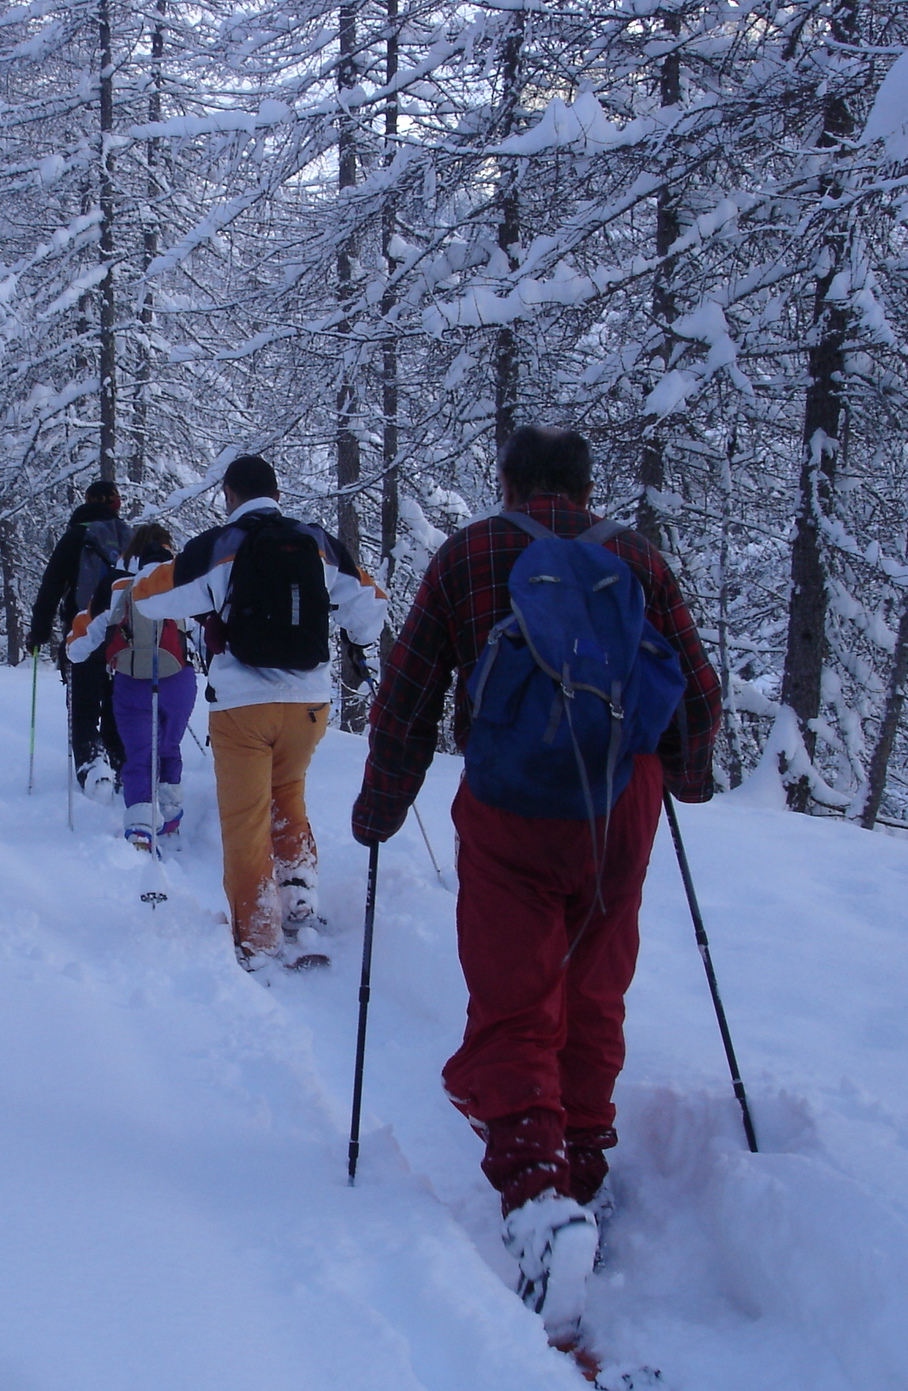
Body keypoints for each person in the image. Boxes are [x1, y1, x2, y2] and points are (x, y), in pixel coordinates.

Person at [351, 426, 722, 1337]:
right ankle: (583, 1172)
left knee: (516, 1002)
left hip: (513, 808)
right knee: (595, 989)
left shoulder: (470, 552)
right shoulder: (633, 556)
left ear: (510, 482)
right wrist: (685, 773)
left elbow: (408, 692)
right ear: (587, 490)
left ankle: (537, 1198)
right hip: (619, 811)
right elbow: (697, 688)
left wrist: (380, 810)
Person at [133, 455, 389, 971]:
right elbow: (372, 600)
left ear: (230, 494)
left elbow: (148, 598)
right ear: (275, 491)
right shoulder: (315, 541)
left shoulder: (220, 547)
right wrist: (361, 646)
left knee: (245, 819)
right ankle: (297, 894)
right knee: (287, 793)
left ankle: (258, 939)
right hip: (309, 706)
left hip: (242, 708)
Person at [65, 524, 198, 848]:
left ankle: (140, 828)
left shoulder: (116, 584)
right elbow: (203, 632)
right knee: (169, 747)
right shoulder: (184, 581)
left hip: (131, 682)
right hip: (178, 680)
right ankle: (170, 814)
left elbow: (79, 646)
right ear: (168, 548)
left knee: (138, 753)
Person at [27, 481, 130, 797]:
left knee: (83, 707)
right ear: (116, 504)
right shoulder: (132, 538)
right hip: (124, 637)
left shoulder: (74, 538)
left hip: (81, 636)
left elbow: (51, 587)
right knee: (117, 704)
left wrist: (39, 632)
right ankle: (118, 763)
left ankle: (92, 768)